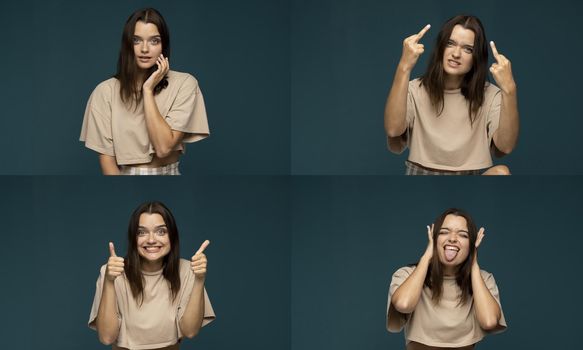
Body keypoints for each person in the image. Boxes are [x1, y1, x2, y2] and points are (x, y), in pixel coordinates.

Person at [384, 15, 519, 175]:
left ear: (476, 57)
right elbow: (393, 130)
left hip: (469, 185)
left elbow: (506, 146)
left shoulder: (490, 95)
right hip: (421, 179)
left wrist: (509, 90)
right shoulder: (415, 89)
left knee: (502, 172)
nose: (456, 54)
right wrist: (404, 66)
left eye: (467, 49)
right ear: (441, 47)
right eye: (450, 43)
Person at [80, 8, 209, 175]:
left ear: (164, 44)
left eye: (154, 41)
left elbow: (163, 148)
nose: (145, 49)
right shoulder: (105, 92)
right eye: (136, 40)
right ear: (127, 44)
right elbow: (107, 161)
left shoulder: (185, 84)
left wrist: (147, 90)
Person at [89, 201, 215, 349]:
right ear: (133, 238)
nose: (151, 240)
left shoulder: (187, 270)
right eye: (141, 232)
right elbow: (106, 337)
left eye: (161, 231)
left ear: (172, 236)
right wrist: (109, 282)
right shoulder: (112, 271)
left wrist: (199, 280)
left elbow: (190, 331)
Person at [386, 208, 506, 349]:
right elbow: (404, 304)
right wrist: (427, 256)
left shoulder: (484, 280)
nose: (453, 238)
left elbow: (489, 321)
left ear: (472, 244)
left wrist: (473, 264)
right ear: (434, 238)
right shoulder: (407, 274)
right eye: (444, 232)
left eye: (463, 235)